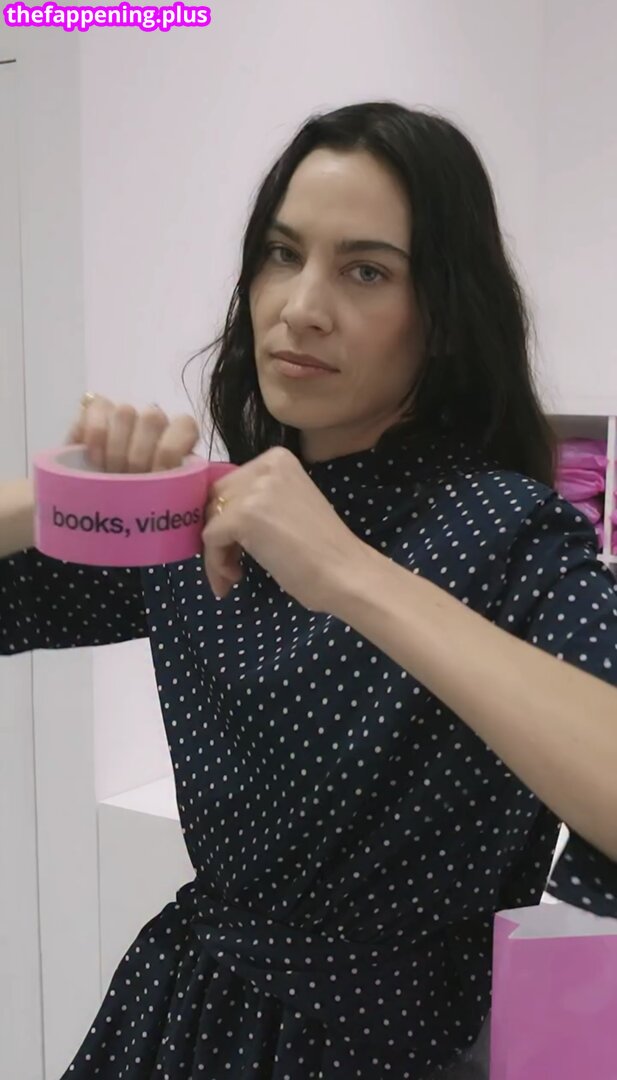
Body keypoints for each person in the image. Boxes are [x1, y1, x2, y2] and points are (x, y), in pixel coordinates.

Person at [1, 101, 616, 1080]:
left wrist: (347, 572)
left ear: (442, 315)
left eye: (365, 270)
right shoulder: (210, 512)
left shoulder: (507, 529)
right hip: (188, 1010)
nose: (300, 306)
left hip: (398, 1043)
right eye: (282, 255)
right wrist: (60, 496)